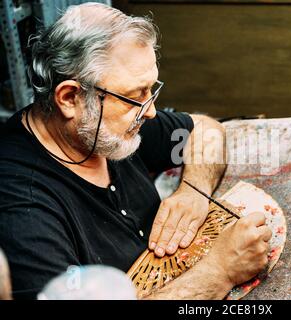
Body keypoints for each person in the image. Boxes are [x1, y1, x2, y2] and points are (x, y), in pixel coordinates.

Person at [0, 2, 272, 299]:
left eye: (150, 90)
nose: (151, 112)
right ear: (69, 98)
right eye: (135, 95)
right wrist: (220, 271)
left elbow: (205, 130)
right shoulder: (23, 209)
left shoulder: (100, 127)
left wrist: (194, 189)